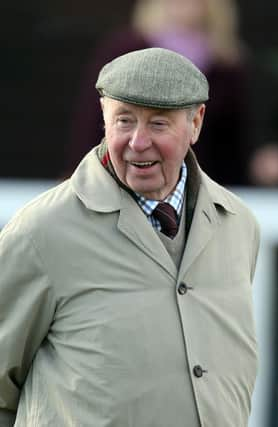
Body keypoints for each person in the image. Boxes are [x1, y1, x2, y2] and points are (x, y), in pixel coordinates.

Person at [0, 48, 260, 426]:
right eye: (124, 121)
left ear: (196, 123)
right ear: (103, 116)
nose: (138, 142)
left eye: (158, 124)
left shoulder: (238, 225)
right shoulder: (40, 232)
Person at [64, 0, 250, 186]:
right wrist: (81, 174)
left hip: (195, 184)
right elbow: (93, 118)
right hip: (124, 177)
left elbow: (231, 142)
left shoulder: (226, 63)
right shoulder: (126, 48)